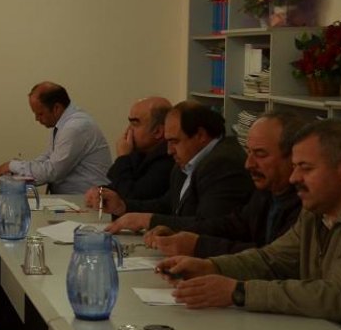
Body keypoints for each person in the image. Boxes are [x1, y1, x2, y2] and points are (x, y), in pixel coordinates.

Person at [158, 119, 341, 330]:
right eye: (294, 167)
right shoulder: (320, 205)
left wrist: (238, 292)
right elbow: (273, 259)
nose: (294, 178)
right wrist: (212, 267)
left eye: (306, 168)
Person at [145, 112, 305, 257]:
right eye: (249, 152)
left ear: (294, 157)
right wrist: (178, 232)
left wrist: (198, 246)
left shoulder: (305, 205)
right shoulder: (266, 192)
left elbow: (271, 258)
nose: (248, 164)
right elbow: (233, 225)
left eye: (260, 154)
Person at [100, 101, 252, 232]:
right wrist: (122, 206)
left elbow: (209, 226)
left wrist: (149, 221)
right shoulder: (188, 159)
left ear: (200, 135)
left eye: (175, 141)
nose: (169, 150)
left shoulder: (223, 163)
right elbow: (168, 205)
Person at [0, 81, 111, 194]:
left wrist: (13, 166)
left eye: (40, 114)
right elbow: (46, 158)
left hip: (86, 200)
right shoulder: (63, 124)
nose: (37, 119)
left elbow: (52, 171)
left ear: (56, 108)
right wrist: (20, 168)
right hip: (75, 198)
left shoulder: (75, 127)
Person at [86, 97, 173, 202]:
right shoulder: (140, 153)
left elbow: (130, 197)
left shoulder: (168, 159)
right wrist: (99, 191)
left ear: (158, 131)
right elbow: (119, 186)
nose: (128, 130)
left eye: (135, 124)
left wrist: (122, 158)